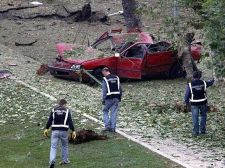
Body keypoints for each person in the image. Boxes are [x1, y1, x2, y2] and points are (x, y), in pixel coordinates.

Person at [43, 99, 76, 168]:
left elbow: (50, 120)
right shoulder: (67, 111)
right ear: (64, 104)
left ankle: (52, 161)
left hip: (55, 131)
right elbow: (70, 122)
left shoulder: (53, 110)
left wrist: (46, 128)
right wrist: (73, 131)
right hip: (64, 131)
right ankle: (65, 160)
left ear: (59, 104)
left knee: (53, 147)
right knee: (64, 146)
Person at [184, 71, 214, 136]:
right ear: (200, 76)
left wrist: (187, 103)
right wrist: (213, 79)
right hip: (203, 102)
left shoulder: (190, 84)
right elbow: (210, 83)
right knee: (203, 116)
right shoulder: (204, 83)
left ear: (193, 76)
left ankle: (195, 132)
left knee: (195, 117)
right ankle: (203, 131)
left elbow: (187, 95)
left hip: (194, 103)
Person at [101, 67, 122, 132]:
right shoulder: (117, 77)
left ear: (104, 72)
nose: (103, 75)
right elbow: (120, 89)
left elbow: (104, 90)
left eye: (103, 73)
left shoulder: (105, 79)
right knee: (114, 113)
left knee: (105, 111)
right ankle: (113, 128)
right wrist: (119, 97)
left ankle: (107, 126)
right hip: (116, 98)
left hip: (108, 98)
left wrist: (103, 99)